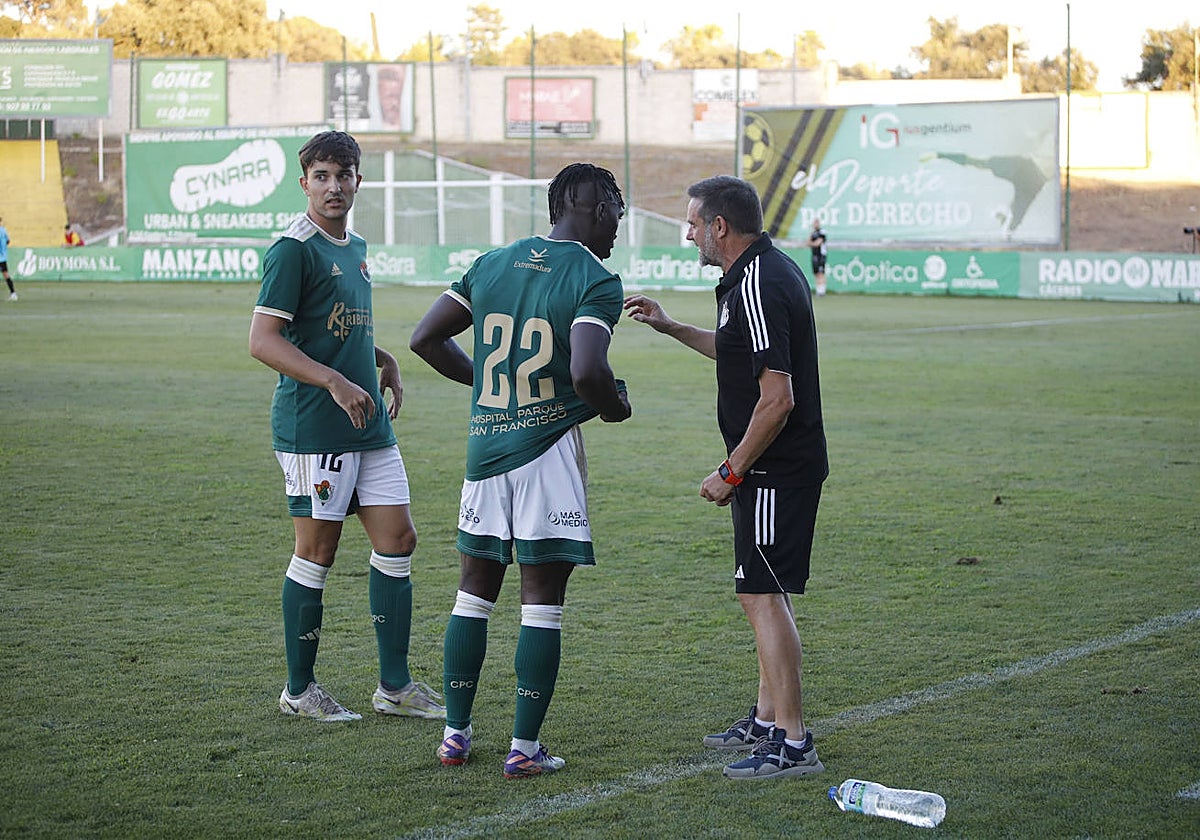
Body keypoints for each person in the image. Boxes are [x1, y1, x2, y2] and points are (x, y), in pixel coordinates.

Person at [410, 162, 632, 778]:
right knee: (542, 601)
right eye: (617, 213)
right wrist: (615, 408)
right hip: (548, 452)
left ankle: (454, 735)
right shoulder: (596, 279)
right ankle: (524, 748)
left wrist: (490, 385)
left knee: (472, 591)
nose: (618, 226)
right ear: (595, 207)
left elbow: (425, 338)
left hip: (485, 451)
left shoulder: (491, 262)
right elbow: (587, 372)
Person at [623, 175, 828, 780]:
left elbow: (778, 399)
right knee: (762, 591)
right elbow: (737, 349)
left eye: (693, 223)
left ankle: (793, 741)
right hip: (768, 468)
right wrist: (670, 327)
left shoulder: (759, 280)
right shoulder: (752, 275)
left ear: (720, 226)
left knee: (761, 593)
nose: (688, 235)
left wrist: (731, 471)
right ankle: (767, 719)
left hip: (773, 469)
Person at [248, 130, 444, 723]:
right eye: (322, 176)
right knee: (317, 552)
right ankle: (299, 691)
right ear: (304, 182)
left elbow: (336, 324)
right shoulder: (293, 249)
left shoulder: (354, 244)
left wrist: (383, 359)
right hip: (315, 427)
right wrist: (334, 381)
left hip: (368, 424)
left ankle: (394, 687)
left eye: (344, 175)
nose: (334, 186)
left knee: (398, 541)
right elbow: (263, 340)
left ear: (359, 180)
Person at [805, 217, 827, 297]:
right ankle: (818, 290)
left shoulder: (822, 232)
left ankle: (822, 290)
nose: (815, 224)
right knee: (816, 273)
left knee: (821, 273)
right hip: (814, 255)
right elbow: (807, 243)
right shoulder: (813, 233)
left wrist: (812, 243)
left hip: (821, 255)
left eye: (816, 223)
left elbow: (818, 243)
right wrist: (811, 241)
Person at [0, 217, 15, 301]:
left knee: (5, 274)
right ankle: (13, 293)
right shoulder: (3, 230)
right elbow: (8, 241)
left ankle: (13, 293)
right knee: (6, 274)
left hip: (1, 257)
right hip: (3, 257)